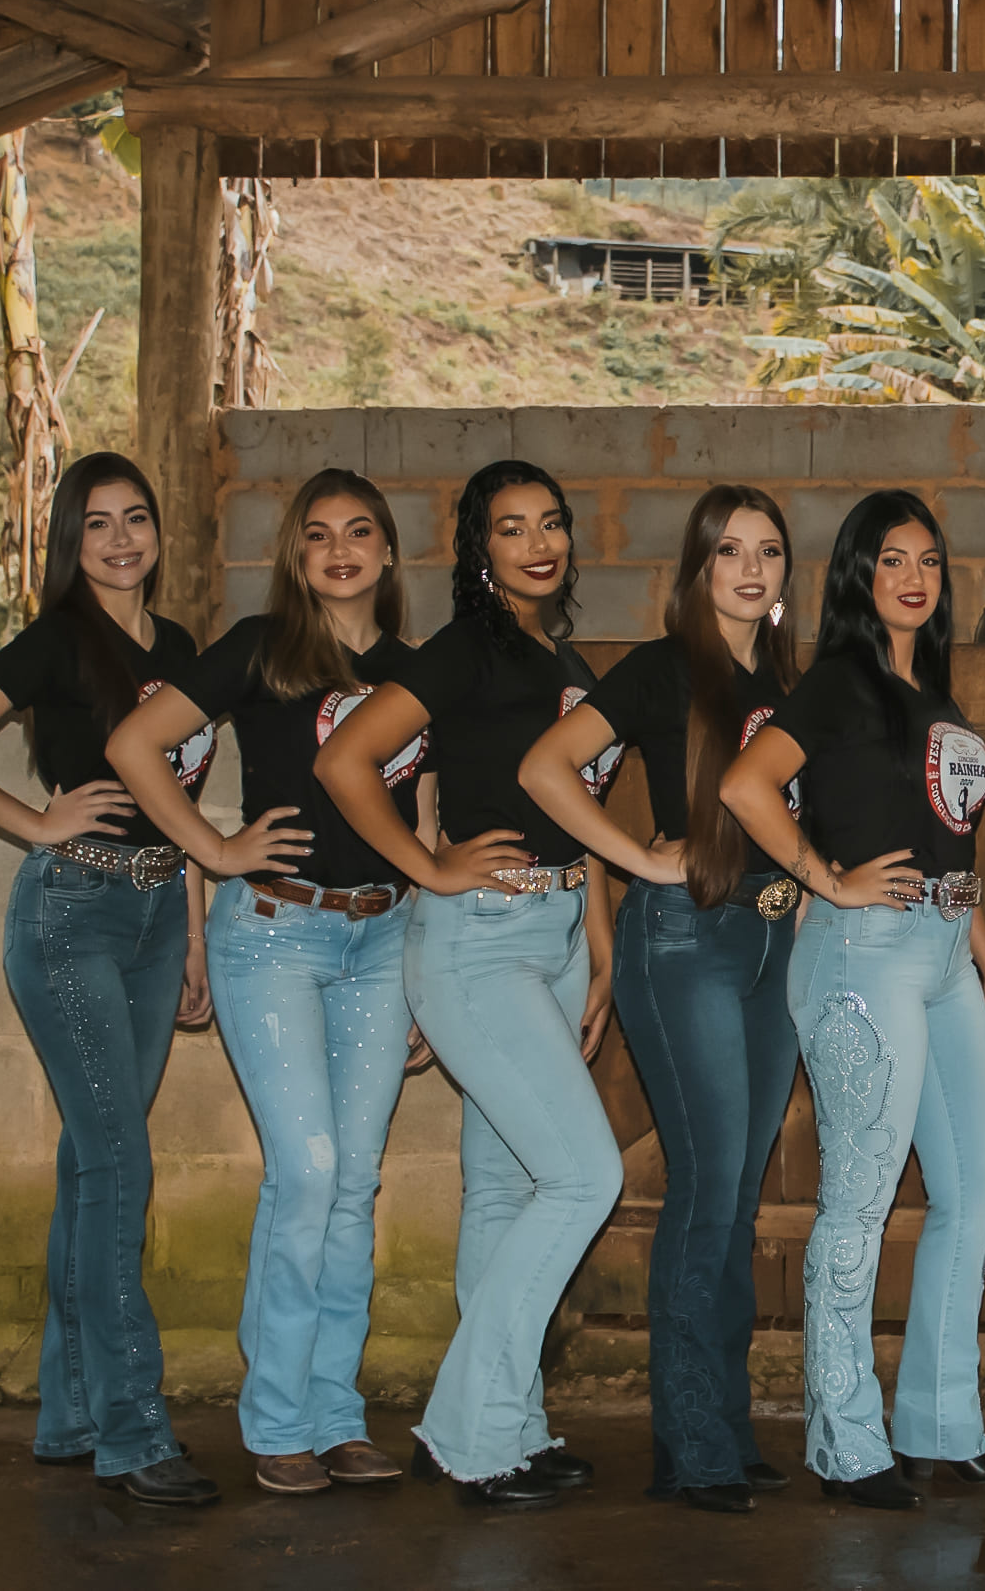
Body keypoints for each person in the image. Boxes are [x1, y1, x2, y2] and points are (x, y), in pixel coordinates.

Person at [109, 468, 437, 1498]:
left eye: (359, 533)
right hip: (276, 936)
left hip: (382, 941)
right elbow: (136, 744)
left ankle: (337, 1416)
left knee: (353, 1187)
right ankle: (277, 1422)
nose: (339, 550)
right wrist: (215, 847)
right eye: (317, 536)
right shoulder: (260, 650)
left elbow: (426, 823)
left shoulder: (419, 672)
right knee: (305, 1175)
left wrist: (424, 963)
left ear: (387, 552)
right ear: (296, 556)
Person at [314, 459, 621, 1509]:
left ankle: (510, 1429)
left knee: (507, 1190)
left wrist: (596, 930)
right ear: (477, 551)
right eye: (509, 528)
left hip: (554, 926)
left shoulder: (556, 654)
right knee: (587, 1179)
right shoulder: (464, 650)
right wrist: (429, 863)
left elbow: (564, 805)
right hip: (476, 939)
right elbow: (347, 759)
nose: (536, 543)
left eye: (551, 523)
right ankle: (462, 1427)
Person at [720, 490, 985, 1512]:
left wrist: (982, 958)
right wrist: (824, 876)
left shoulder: (923, 690)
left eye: (928, 560)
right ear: (858, 574)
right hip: (864, 953)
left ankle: (940, 1426)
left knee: (971, 1188)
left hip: (939, 948)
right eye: (891, 558)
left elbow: (944, 838)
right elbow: (745, 786)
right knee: (858, 1200)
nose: (913, 576)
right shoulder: (842, 682)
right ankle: (846, 1445)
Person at [521, 485, 803, 1515]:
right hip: (684, 937)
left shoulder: (780, 677)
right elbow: (547, 768)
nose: (750, 568)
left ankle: (722, 1425)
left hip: (770, 939)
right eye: (728, 550)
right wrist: (637, 857)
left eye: (768, 551)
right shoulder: (658, 669)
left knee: (736, 1196)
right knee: (706, 1186)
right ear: (696, 569)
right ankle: (691, 1445)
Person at [0, 452, 217, 1506]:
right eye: (97, 523)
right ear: (72, 541)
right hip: (72, 913)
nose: (119, 539)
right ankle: (133, 1430)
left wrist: (192, 931)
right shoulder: (59, 638)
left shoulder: (181, 647)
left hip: (157, 917)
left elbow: (184, 797)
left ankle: (66, 1413)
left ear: (158, 531)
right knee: (118, 1163)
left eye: (136, 519)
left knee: (88, 1167)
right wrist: (37, 822)